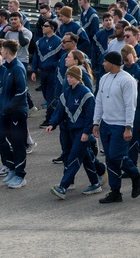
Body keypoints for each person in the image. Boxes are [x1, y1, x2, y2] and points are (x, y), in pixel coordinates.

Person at [92, 51, 140, 204]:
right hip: (106, 124)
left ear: (113, 63)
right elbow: (99, 102)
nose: (103, 64)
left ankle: (135, 175)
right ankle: (115, 191)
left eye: (105, 61)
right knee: (110, 159)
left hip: (120, 125)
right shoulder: (104, 78)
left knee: (116, 156)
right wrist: (96, 122)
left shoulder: (127, 80)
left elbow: (130, 105)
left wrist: (128, 126)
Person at [47, 65, 103, 198]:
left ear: (78, 78)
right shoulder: (66, 93)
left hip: (81, 132)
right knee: (86, 158)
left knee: (74, 158)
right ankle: (95, 183)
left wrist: (86, 132)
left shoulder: (86, 94)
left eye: (71, 77)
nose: (69, 79)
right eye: (67, 76)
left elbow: (91, 116)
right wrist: (52, 124)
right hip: (71, 131)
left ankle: (63, 187)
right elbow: (60, 111)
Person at [0, 40, 30, 189]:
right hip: (5, 112)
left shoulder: (17, 68)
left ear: (6, 51)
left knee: (18, 143)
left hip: (17, 112)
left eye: (2, 50)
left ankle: (20, 175)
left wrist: (8, 107)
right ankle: (12, 167)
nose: (0, 52)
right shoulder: (6, 68)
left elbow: (22, 92)